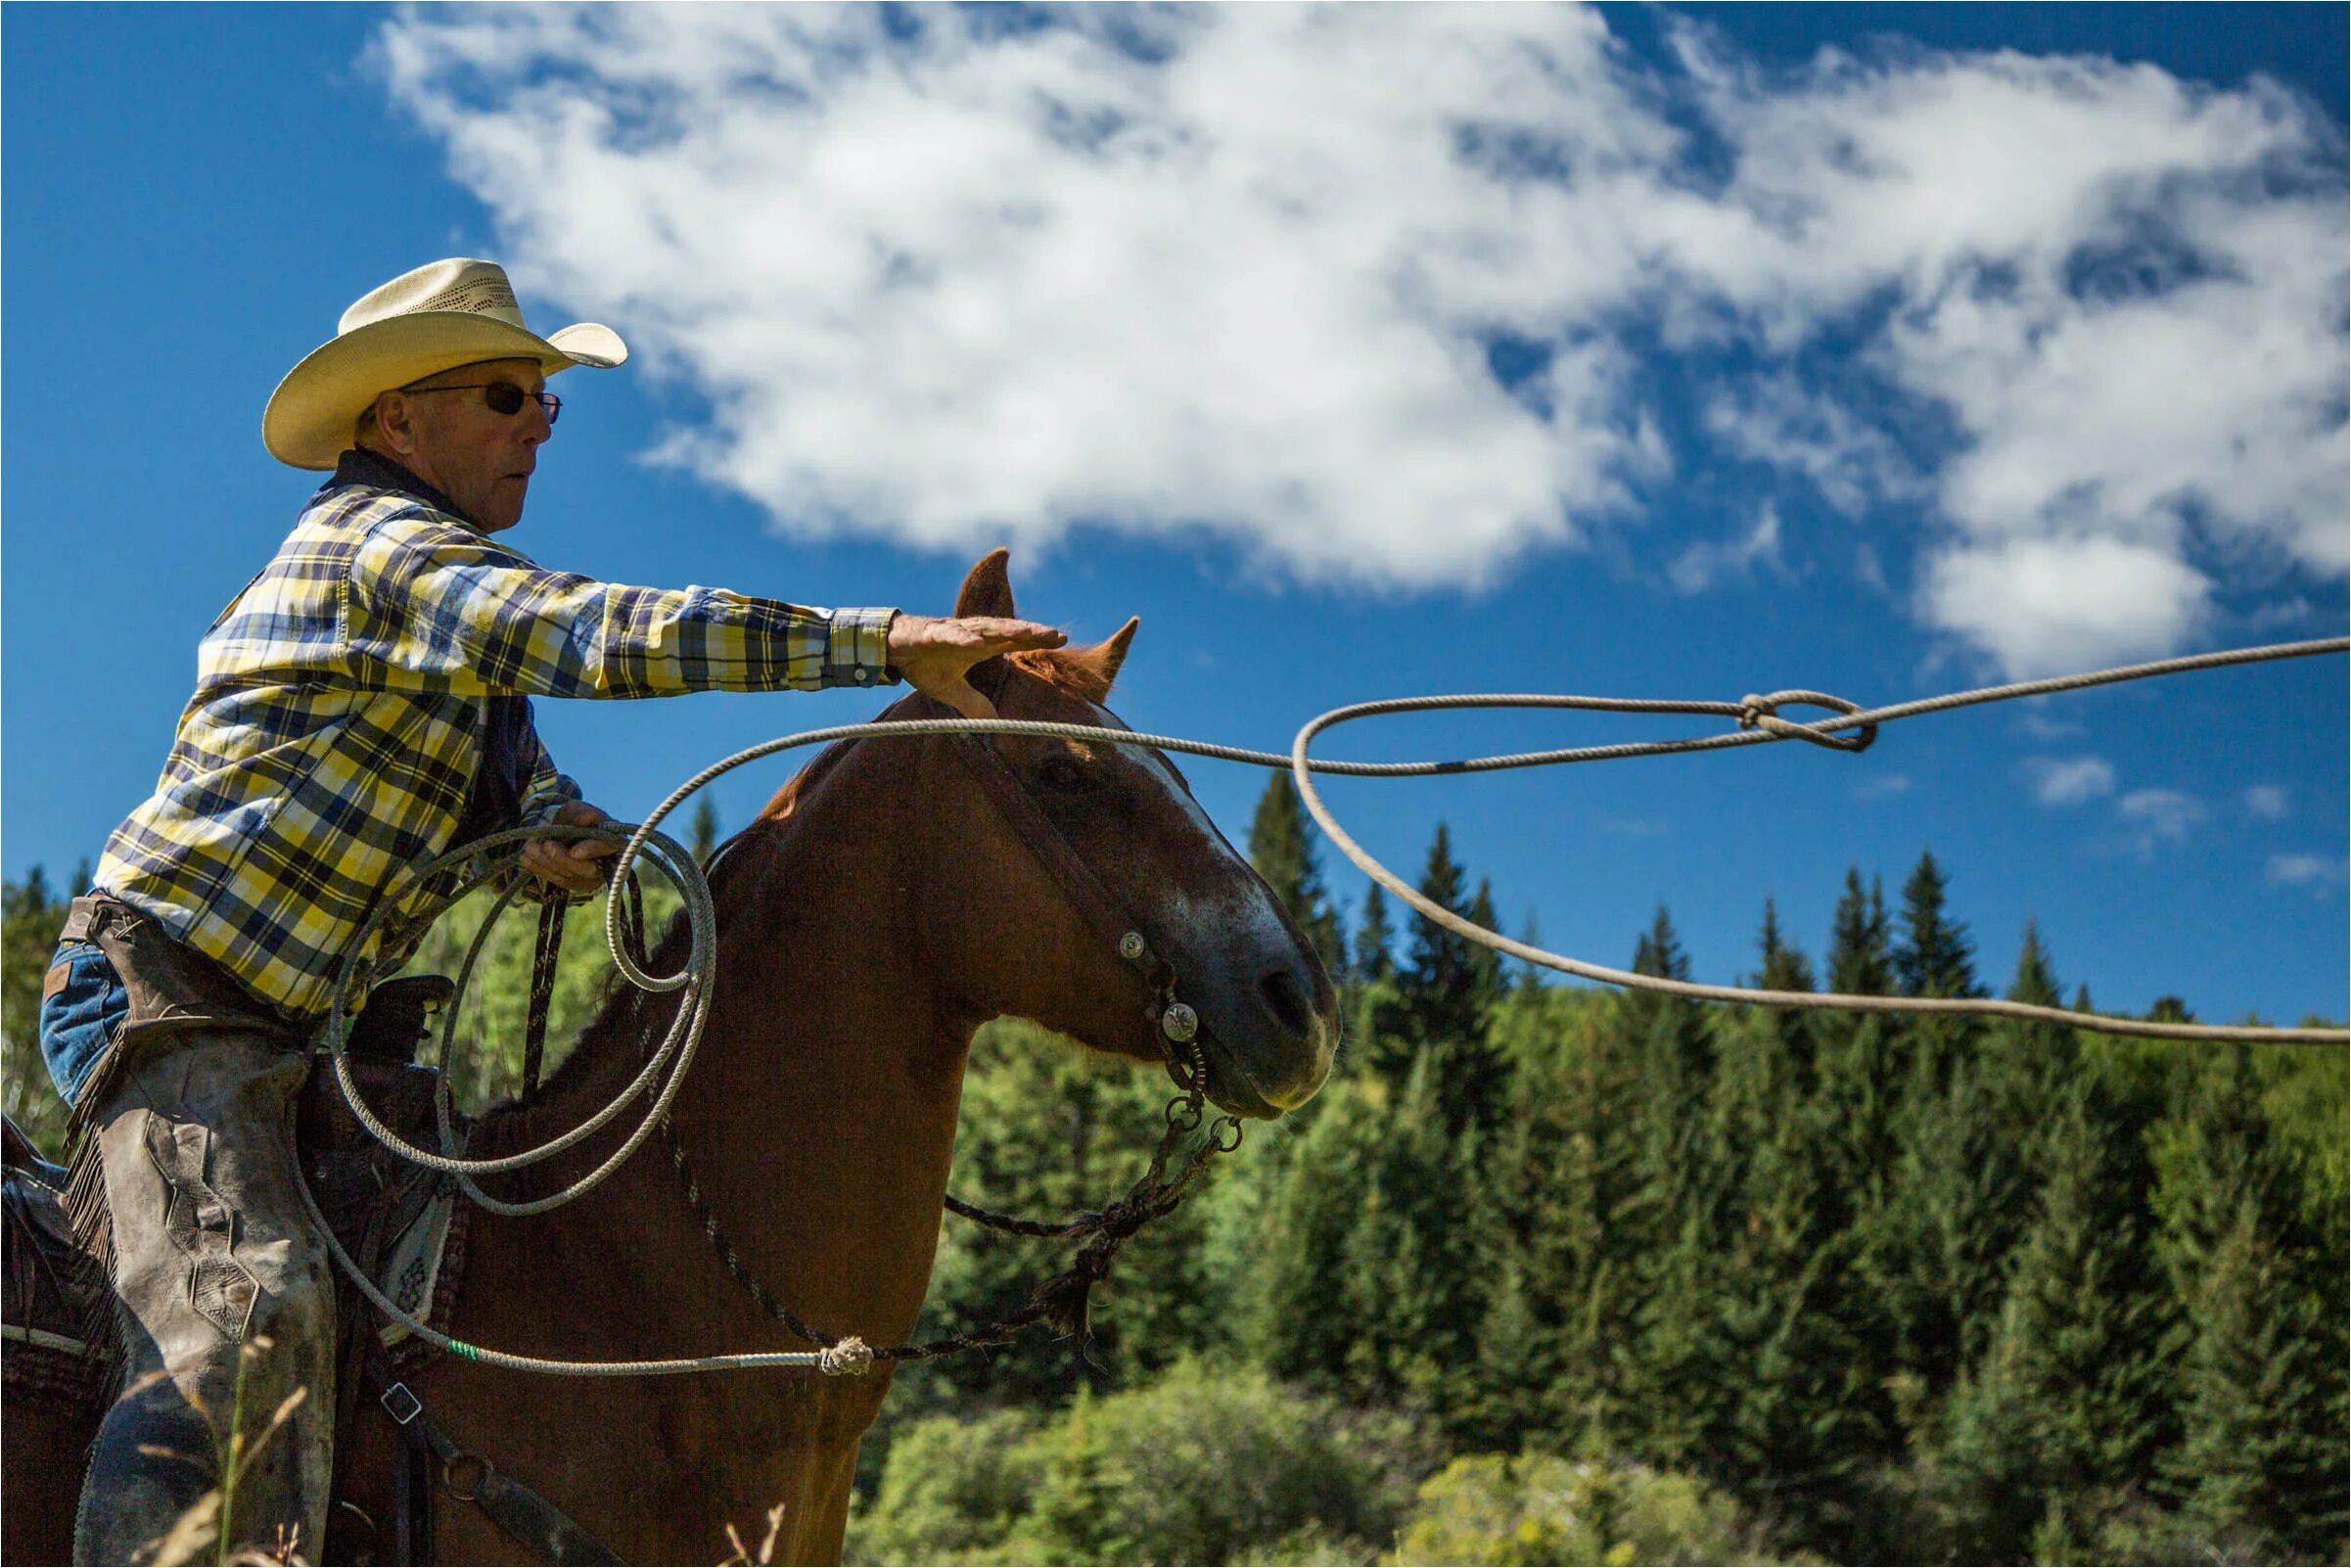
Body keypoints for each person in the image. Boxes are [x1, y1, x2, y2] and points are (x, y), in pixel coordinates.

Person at [38, 257, 1064, 1563]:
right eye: (507, 394)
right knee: (249, 1310)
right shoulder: (381, 548)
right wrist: (880, 642)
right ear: (396, 421)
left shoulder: (445, 621)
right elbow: (583, 631)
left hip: (302, 1042)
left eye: (548, 405)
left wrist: (555, 836)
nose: (537, 423)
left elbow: (514, 775)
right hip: (174, 999)